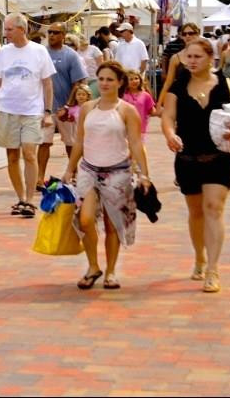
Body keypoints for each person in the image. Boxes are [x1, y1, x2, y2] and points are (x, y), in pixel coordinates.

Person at [160, 39, 230, 293]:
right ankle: (199, 257)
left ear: (210, 58)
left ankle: (213, 269)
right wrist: (169, 134)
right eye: (188, 57)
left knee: (213, 207)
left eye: (197, 57)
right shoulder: (178, 86)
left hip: (219, 156)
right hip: (187, 155)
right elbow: (168, 116)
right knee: (196, 212)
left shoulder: (226, 84)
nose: (191, 61)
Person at [63, 61, 150, 290]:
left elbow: (135, 143)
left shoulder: (126, 110)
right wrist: (69, 168)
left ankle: (111, 271)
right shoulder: (87, 108)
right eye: (101, 79)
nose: (104, 83)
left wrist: (144, 174)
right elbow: (80, 140)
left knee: (113, 225)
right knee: (85, 219)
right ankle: (93, 266)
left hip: (118, 171)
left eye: (110, 79)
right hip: (89, 170)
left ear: (119, 82)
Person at [0, 13, 55, 219]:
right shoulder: (3, 53)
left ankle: (30, 200)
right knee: (12, 156)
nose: (5, 33)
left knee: (30, 153)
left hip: (32, 111)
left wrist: (48, 112)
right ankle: (21, 197)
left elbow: (47, 83)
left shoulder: (39, 51)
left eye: (8, 29)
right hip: (6, 110)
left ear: (21, 29)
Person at [42, 22, 88, 182]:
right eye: (49, 32)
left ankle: (73, 174)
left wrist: (68, 106)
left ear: (63, 35)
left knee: (71, 143)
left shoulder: (71, 55)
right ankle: (39, 178)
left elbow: (78, 81)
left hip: (65, 108)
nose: (52, 35)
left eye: (55, 32)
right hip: (45, 108)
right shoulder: (42, 53)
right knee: (44, 143)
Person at [157, 23, 201, 110]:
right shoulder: (176, 58)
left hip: (201, 96)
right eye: (184, 34)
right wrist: (159, 103)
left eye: (191, 33)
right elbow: (168, 83)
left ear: (197, 34)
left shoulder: (205, 54)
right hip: (181, 98)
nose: (187, 36)